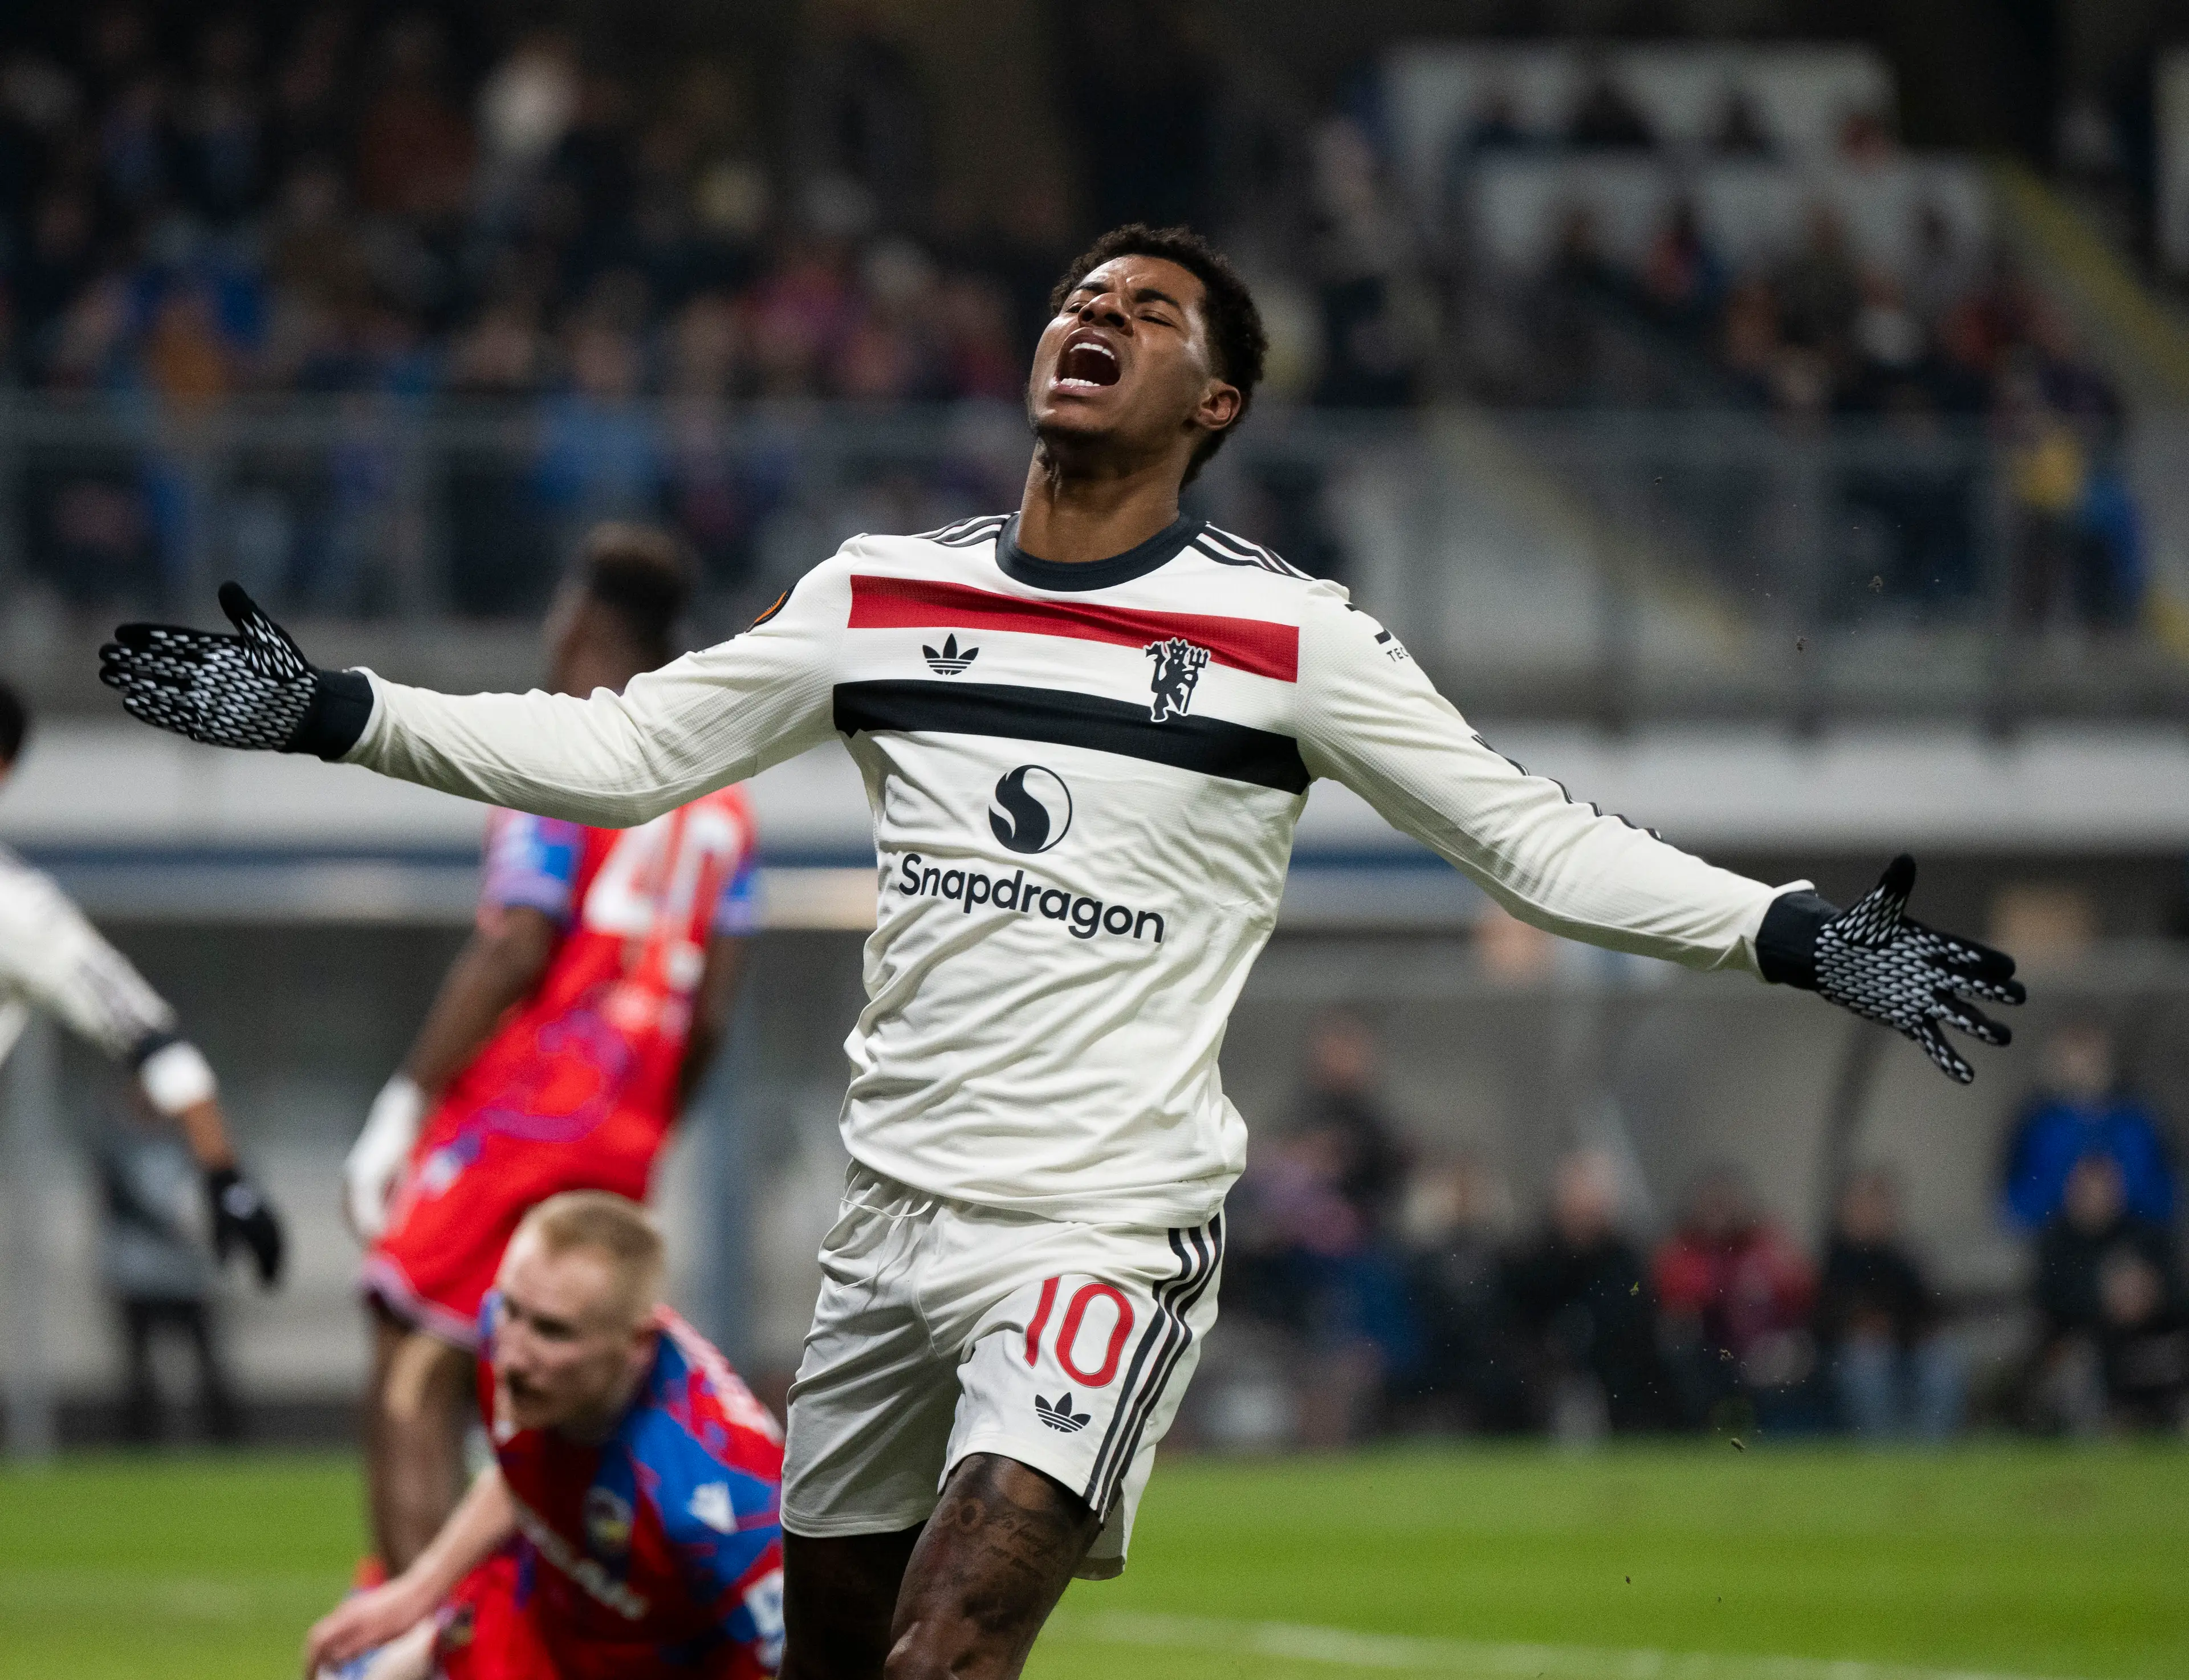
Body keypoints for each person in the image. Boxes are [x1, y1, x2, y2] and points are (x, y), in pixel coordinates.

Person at [102, 221, 2021, 1680]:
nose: (1094, 316)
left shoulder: (1292, 640)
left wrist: (1795, 932)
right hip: (888, 1234)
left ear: (1217, 405)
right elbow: (619, 752)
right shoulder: (883, 589)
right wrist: (339, 708)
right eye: (1079, 296)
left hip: (1096, 1227)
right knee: (842, 1655)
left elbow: (1525, 838)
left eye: (1151, 312)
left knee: (946, 1649)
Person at [341, 526, 760, 1573]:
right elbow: (709, 1014)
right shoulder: (726, 801)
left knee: (413, 1363)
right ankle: (572, 1602)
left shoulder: (558, 748)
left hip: (525, 1106)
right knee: (553, 1377)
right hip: (626, 1124)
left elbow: (517, 939)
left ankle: (432, 1636)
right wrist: (649, 1129)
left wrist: (406, 1099)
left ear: (580, 623)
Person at [304, 1192, 785, 1680]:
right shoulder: (508, 1336)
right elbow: (521, 1469)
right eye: (512, 1308)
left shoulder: (724, 1499)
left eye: (553, 1332)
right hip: (531, 1618)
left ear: (637, 1344)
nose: (512, 1357)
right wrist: (418, 1593)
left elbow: (815, 1653)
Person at [0, 679, 284, 1309]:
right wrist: (226, 1177)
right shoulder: (16, 905)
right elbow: (153, 1040)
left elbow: (148, 1037)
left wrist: (224, 1176)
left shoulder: (17, 911)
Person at [1503, 1149, 1666, 1434]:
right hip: (1548, 1360)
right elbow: (1522, 1312)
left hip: (1612, 1361)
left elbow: (1632, 1311)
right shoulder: (1537, 1254)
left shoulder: (1625, 1258)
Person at [1654, 1167, 1816, 1430]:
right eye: (1712, 1205)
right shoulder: (1683, 1250)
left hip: (1765, 1345)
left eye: (1726, 1204)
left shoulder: (1766, 1247)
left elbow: (1798, 1293)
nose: (1720, 1213)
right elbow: (1678, 1299)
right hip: (1710, 1351)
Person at [1815, 1169, 1964, 1441]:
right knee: (1867, 1359)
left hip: (1906, 1348)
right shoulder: (1834, 1261)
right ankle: (1881, 1449)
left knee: (1941, 1361)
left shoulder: (1904, 1259)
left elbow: (1926, 1311)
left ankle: (1930, 1451)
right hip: (1856, 1353)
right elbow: (1824, 1319)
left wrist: (1909, 1331)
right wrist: (1861, 1326)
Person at [1999, 1020, 2174, 1233]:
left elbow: (2168, 1199)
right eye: (2070, 1062)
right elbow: (2010, 1206)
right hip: (2055, 1234)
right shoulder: (2037, 1124)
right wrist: (2068, 1189)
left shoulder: (2136, 1120)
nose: (2080, 1072)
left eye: (2090, 1061)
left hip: (2131, 1234)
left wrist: (2119, 1188)